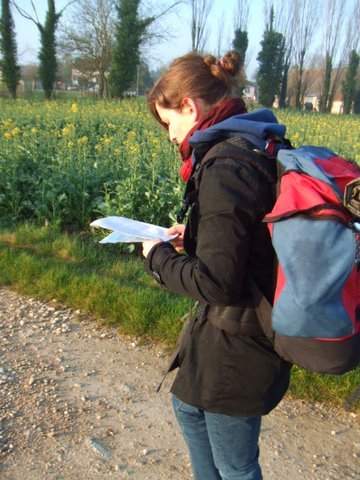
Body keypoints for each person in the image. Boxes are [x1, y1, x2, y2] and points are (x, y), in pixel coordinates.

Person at [142, 50, 292, 480]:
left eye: (168, 122)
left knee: (236, 466)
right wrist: (192, 236)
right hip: (238, 325)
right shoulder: (252, 141)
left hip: (243, 339)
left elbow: (218, 282)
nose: (170, 136)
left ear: (189, 105)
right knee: (187, 406)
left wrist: (158, 259)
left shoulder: (226, 164)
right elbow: (248, 234)